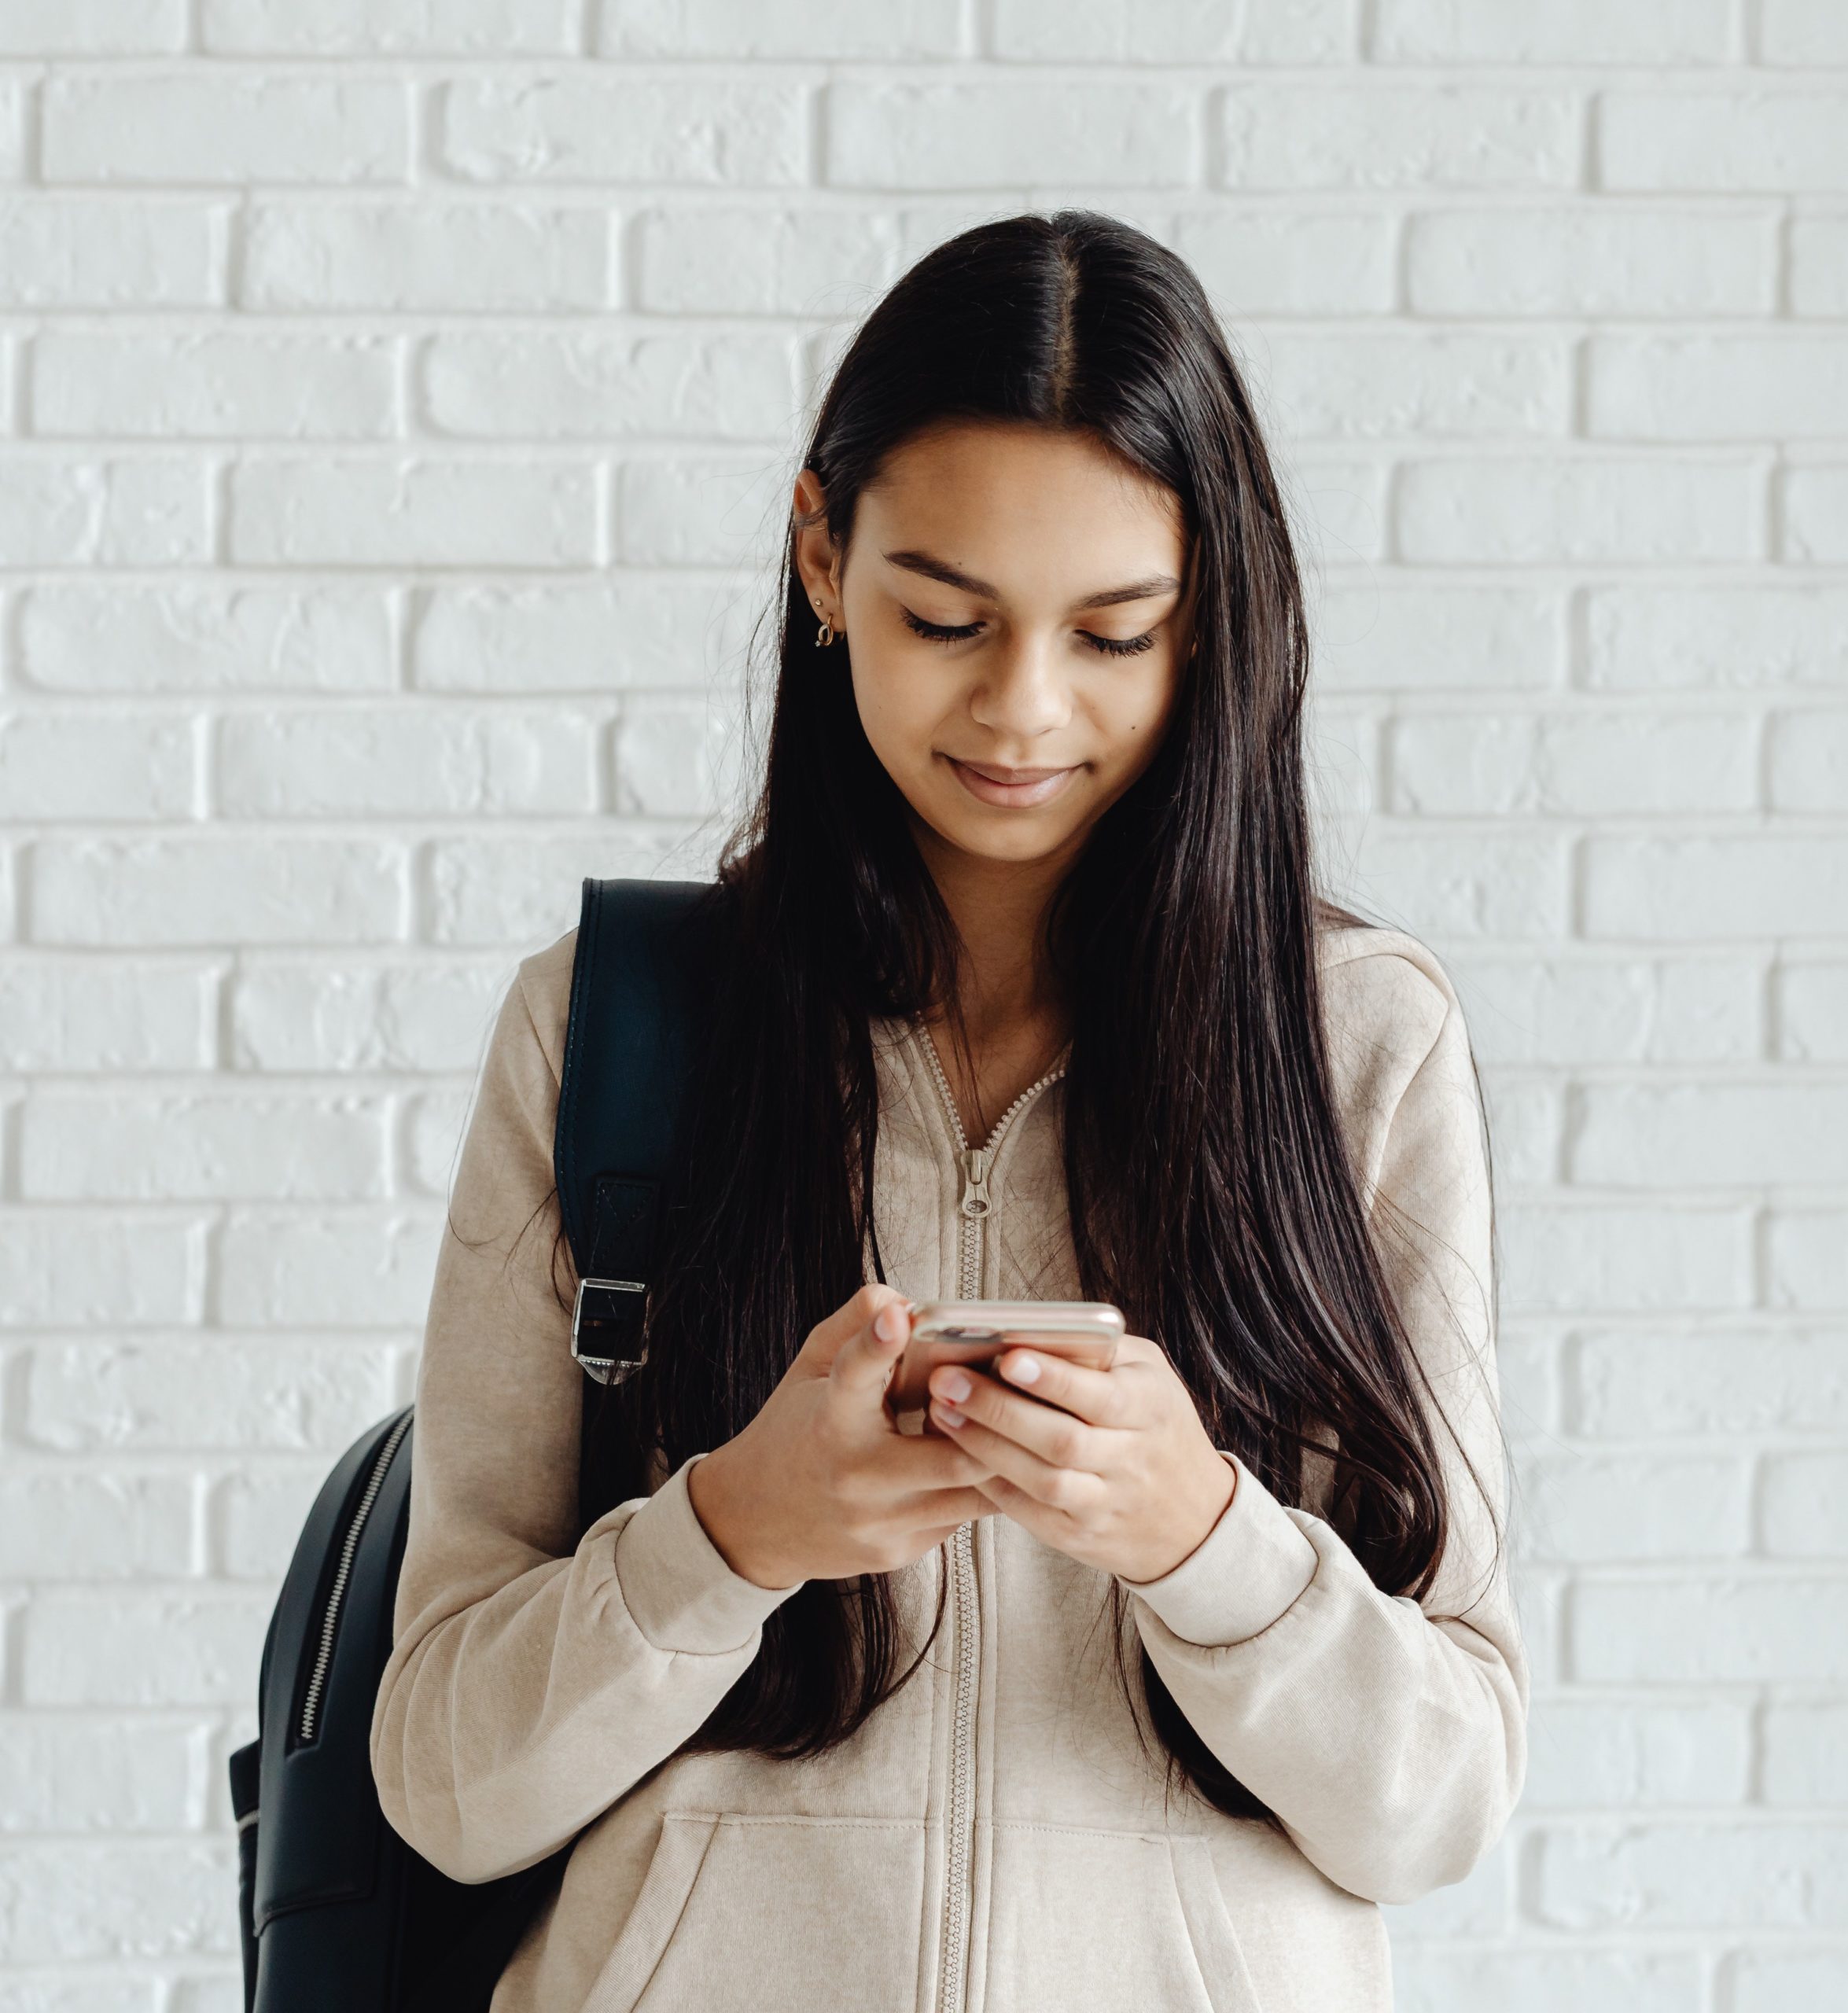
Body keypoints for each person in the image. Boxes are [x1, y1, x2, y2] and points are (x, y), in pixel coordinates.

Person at [369, 209, 1527, 2013]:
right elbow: (442, 1778)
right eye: (944, 615)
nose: (1023, 708)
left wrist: (1194, 1534)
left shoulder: (1352, 1045)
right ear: (822, 561)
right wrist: (735, 1528)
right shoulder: (620, 1025)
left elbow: (1442, 1792)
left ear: (1206, 616)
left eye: (1115, 633)